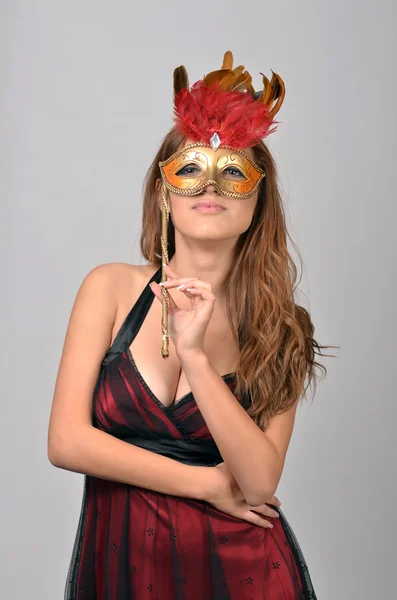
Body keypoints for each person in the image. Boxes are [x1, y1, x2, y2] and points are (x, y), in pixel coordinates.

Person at [48, 50, 332, 599]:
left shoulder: (282, 325)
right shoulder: (108, 288)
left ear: (259, 195)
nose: (209, 188)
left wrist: (196, 357)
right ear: (164, 192)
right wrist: (206, 483)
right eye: (190, 170)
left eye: (233, 173)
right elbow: (66, 441)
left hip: (244, 572)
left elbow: (259, 482)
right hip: (121, 567)